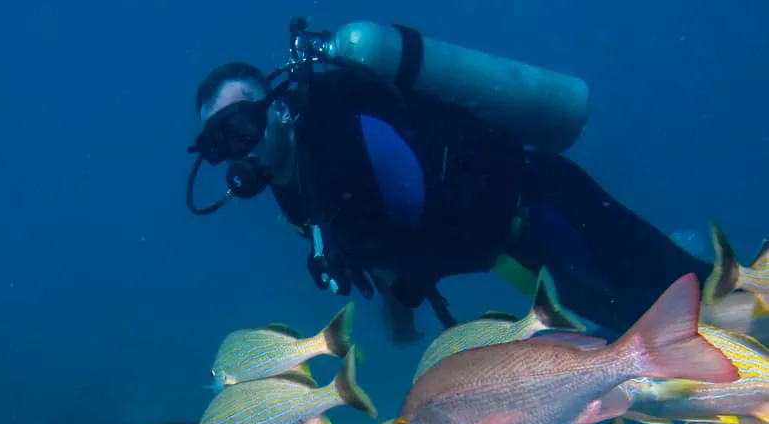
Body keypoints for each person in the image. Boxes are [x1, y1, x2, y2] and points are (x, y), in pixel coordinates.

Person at [185, 20, 713, 342]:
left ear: (276, 111)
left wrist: (406, 290)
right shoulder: (294, 192)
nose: (239, 147)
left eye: (243, 125)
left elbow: (422, 209)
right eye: (219, 142)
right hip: (517, 253)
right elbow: (384, 235)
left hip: (544, 205)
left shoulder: (336, 137)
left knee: (693, 300)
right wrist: (400, 299)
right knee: (646, 325)